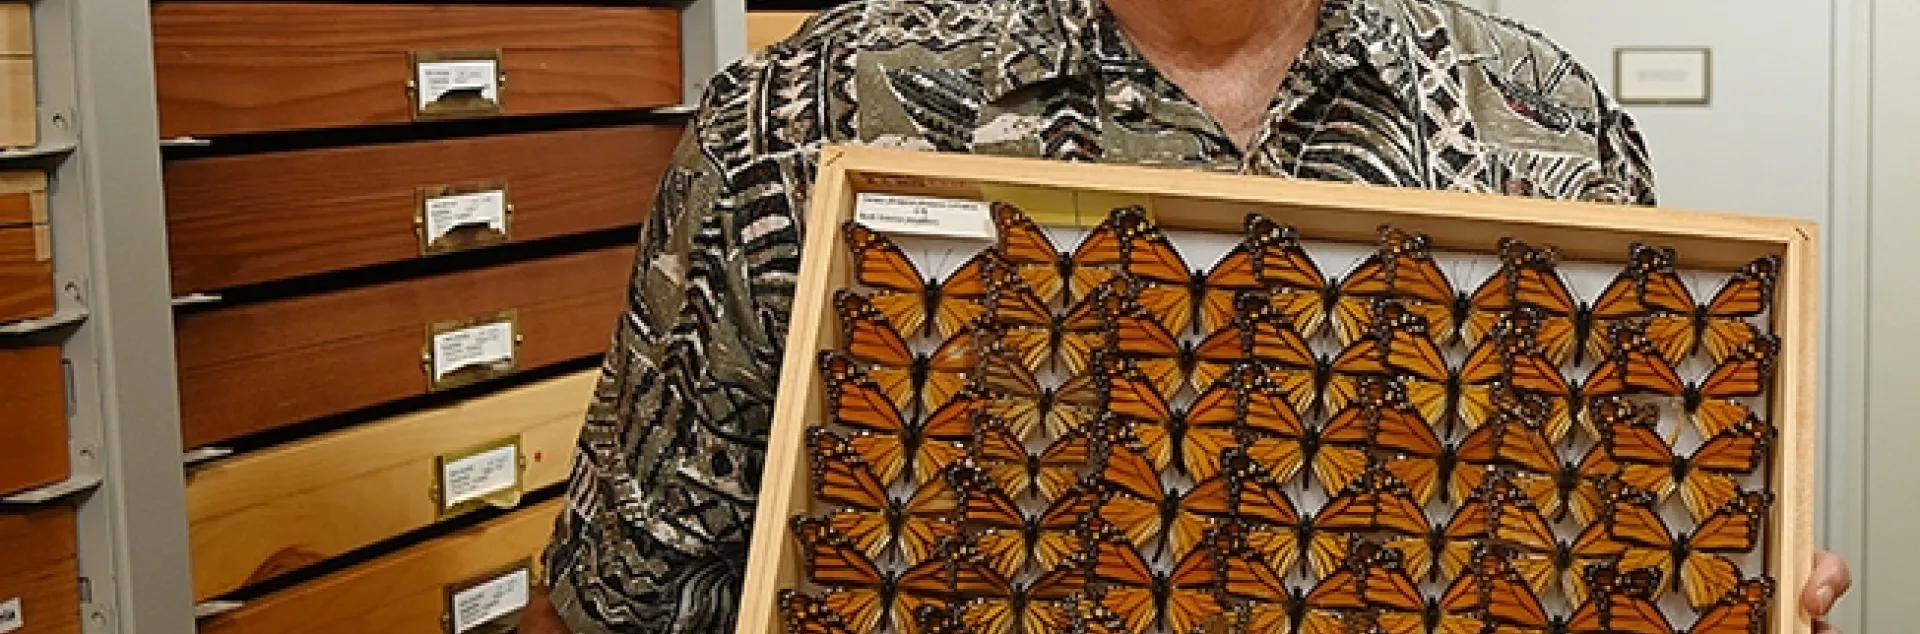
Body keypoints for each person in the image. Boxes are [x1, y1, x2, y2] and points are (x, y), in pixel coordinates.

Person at [519, 0, 1855, 632]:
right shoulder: (799, 114)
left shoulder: (1548, 121)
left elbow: (1614, 545)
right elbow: (615, 596)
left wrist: (1735, 587)